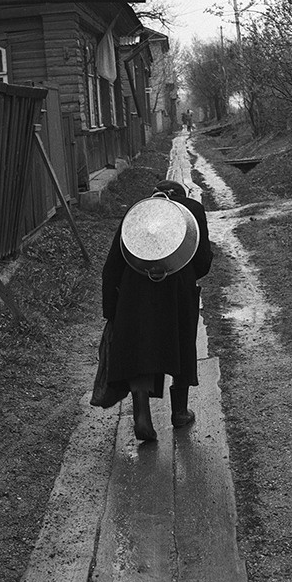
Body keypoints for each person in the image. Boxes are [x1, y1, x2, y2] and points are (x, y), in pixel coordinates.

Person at [101, 179, 213, 441]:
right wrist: (184, 275)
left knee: (140, 348)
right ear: (181, 196)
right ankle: (180, 412)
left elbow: (112, 266)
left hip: (135, 290)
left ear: (153, 195)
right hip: (178, 289)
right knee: (181, 344)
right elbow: (203, 260)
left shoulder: (137, 212)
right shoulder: (193, 209)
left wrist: (112, 312)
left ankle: (142, 416)